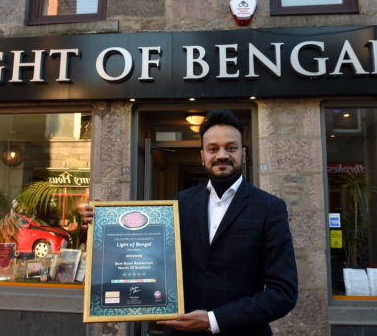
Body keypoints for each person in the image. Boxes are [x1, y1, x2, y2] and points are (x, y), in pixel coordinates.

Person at [82, 109, 298, 335]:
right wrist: (101, 228)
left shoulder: (270, 208)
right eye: (213, 149)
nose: (222, 155)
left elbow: (283, 293)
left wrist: (213, 320)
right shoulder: (181, 202)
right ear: (202, 155)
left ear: (243, 152)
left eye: (231, 148)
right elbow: (149, 257)